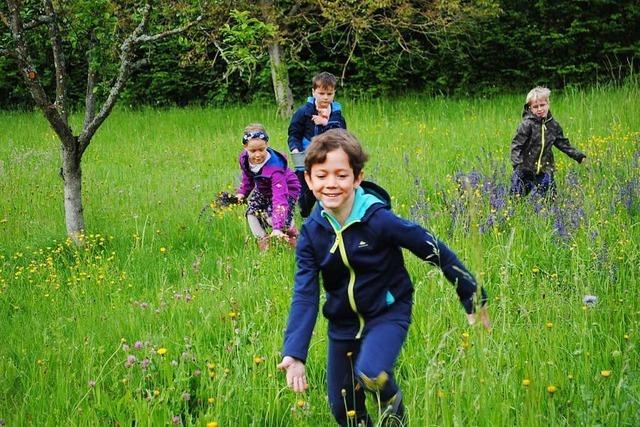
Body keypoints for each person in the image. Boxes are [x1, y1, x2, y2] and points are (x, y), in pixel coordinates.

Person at [277, 129, 491, 426]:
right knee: (343, 409)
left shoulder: (378, 219)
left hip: (387, 312)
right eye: (322, 175)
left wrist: (471, 294)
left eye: (341, 175)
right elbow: (305, 294)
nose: (331, 184)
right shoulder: (312, 233)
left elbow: (430, 247)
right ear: (309, 180)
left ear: (357, 178)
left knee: (372, 372)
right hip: (343, 325)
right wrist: (295, 353)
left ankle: (393, 413)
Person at [288, 71, 347, 218]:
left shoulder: (337, 115)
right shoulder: (303, 112)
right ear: (313, 92)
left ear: (334, 93)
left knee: (327, 192)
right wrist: (295, 149)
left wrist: (326, 123)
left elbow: (342, 134)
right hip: (305, 161)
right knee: (306, 197)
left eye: (329, 94)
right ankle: (305, 217)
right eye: (321, 93)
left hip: (329, 161)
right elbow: (294, 133)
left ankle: (327, 220)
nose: (325, 97)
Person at [510, 86, 586, 197]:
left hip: (545, 169)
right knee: (516, 198)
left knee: (550, 199)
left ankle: (549, 212)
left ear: (548, 104)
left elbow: (563, 144)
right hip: (525, 169)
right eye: (535, 107)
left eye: (542, 105)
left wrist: (579, 156)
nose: (540, 109)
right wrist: (517, 165)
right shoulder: (526, 125)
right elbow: (516, 145)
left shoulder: (553, 125)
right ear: (530, 108)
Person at [236, 123, 301, 251]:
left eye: (261, 149)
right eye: (253, 151)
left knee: (274, 218)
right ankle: (264, 243)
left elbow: (279, 198)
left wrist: (277, 228)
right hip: (264, 188)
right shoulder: (244, 158)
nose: (257, 155)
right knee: (251, 212)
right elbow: (248, 177)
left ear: (267, 144)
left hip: (286, 188)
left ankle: (294, 237)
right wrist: (242, 193)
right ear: (245, 147)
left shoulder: (275, 168)